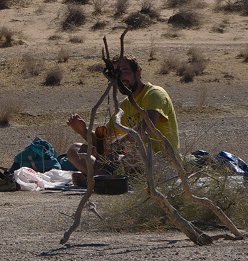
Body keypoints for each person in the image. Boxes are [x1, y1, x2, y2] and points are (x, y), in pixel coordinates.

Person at [66, 54, 179, 182]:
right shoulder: (125, 106)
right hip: (132, 162)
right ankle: (101, 179)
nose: (121, 78)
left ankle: (96, 179)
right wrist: (83, 130)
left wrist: (116, 145)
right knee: (75, 150)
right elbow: (104, 141)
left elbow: (146, 128)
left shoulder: (155, 94)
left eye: (124, 72)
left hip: (163, 163)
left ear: (138, 72)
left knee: (132, 156)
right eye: (117, 74)